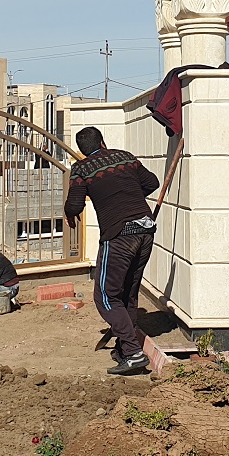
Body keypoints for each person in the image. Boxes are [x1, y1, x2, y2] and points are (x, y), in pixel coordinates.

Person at [64, 126, 160, 375]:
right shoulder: (125, 157)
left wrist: (71, 215)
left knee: (105, 296)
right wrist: (129, 196)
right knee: (128, 292)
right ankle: (123, 347)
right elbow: (152, 182)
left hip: (119, 236)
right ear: (103, 142)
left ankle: (132, 352)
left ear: (81, 151)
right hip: (146, 230)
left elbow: (74, 204)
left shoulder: (82, 168)